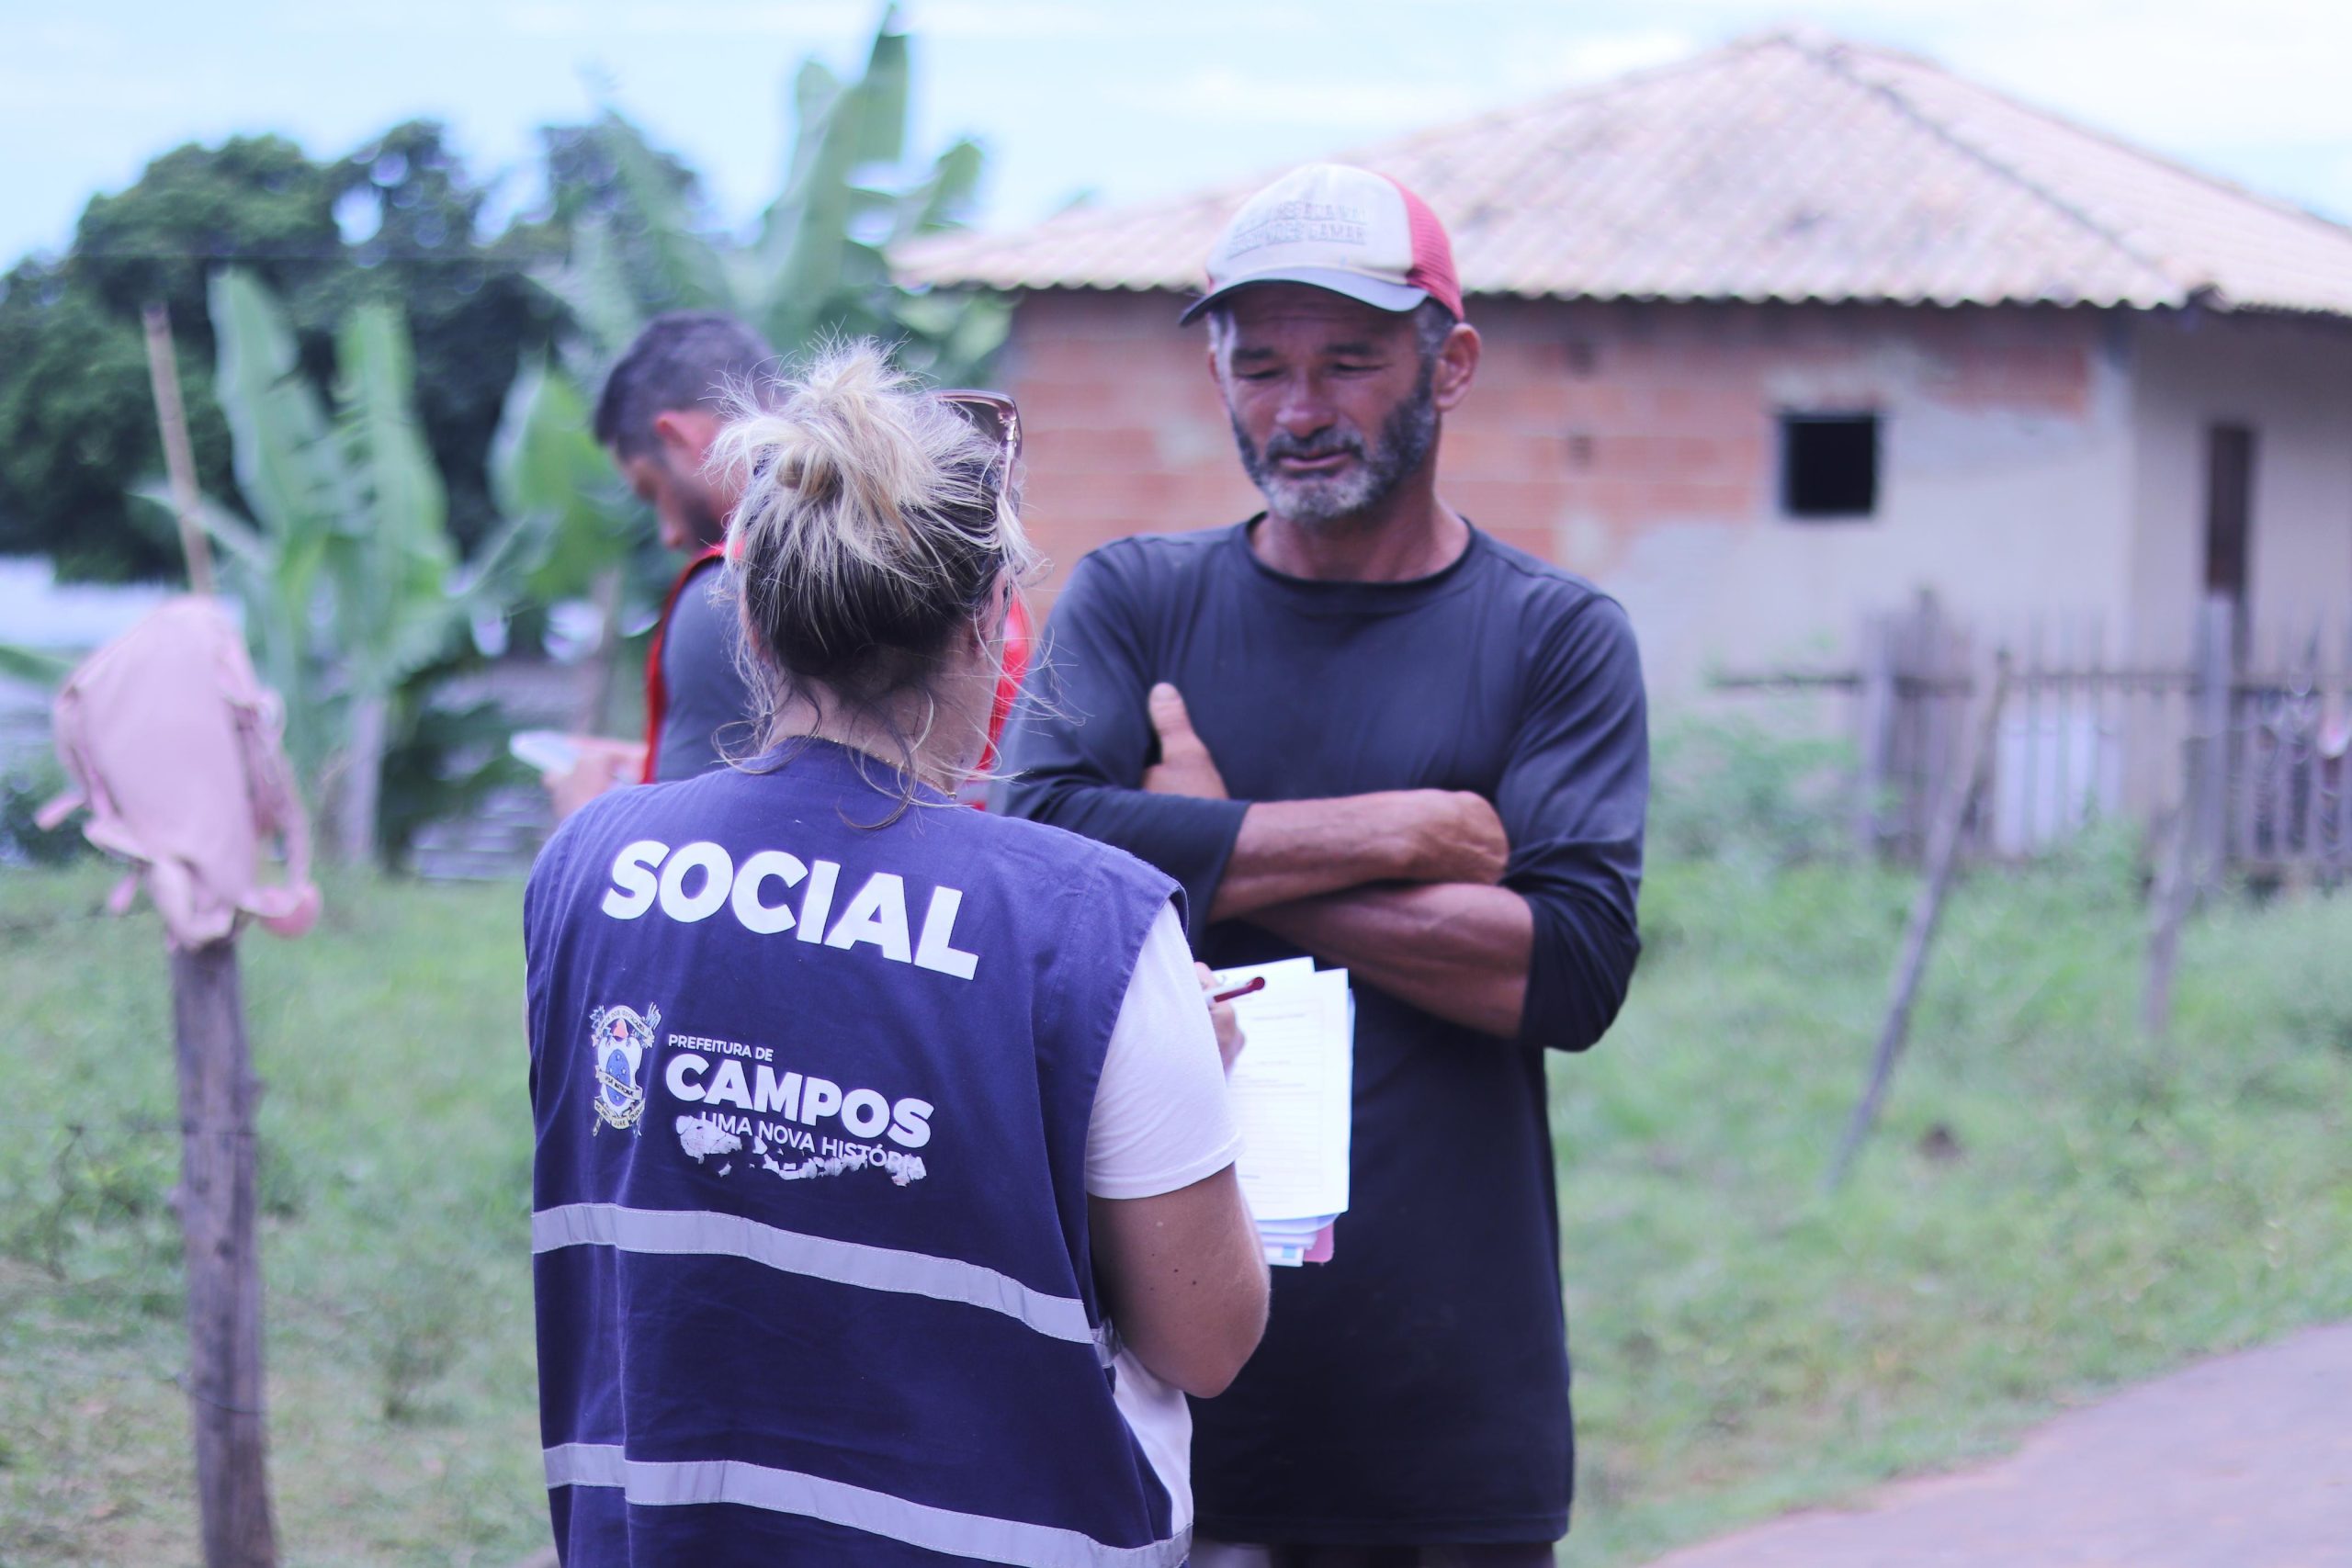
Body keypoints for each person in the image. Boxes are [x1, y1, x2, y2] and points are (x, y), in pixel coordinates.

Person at [524, 341, 1269, 1566]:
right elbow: (1209, 1338)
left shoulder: (585, 864)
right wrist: (1202, 1070)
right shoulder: (1094, 927)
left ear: (749, 614)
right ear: (987, 623)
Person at [1000, 164, 1649, 1563]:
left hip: (1448, 1406)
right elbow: (1039, 850)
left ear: (1450, 363)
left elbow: (1570, 970)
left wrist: (1209, 841)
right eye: (1261, 366)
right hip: (1165, 1393)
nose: (1298, 410)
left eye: (1350, 362)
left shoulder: (1554, 636)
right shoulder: (1136, 597)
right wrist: (1401, 832)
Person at [548, 310, 1031, 818]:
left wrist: (589, 820)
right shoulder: (981, 572)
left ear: (754, 624)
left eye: (653, 491)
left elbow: (694, 844)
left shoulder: (725, 589)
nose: (668, 533)